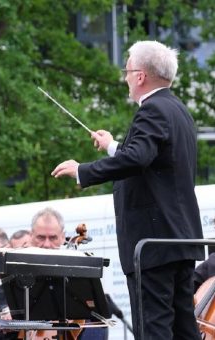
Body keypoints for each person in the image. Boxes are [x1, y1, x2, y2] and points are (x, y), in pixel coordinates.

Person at [52, 40, 203, 339]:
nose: (124, 78)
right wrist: (111, 146)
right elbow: (154, 160)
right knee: (184, 329)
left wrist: (83, 170)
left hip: (154, 243)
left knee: (154, 330)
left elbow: (137, 158)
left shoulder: (153, 110)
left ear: (140, 75)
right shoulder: (178, 110)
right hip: (179, 240)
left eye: (127, 70)